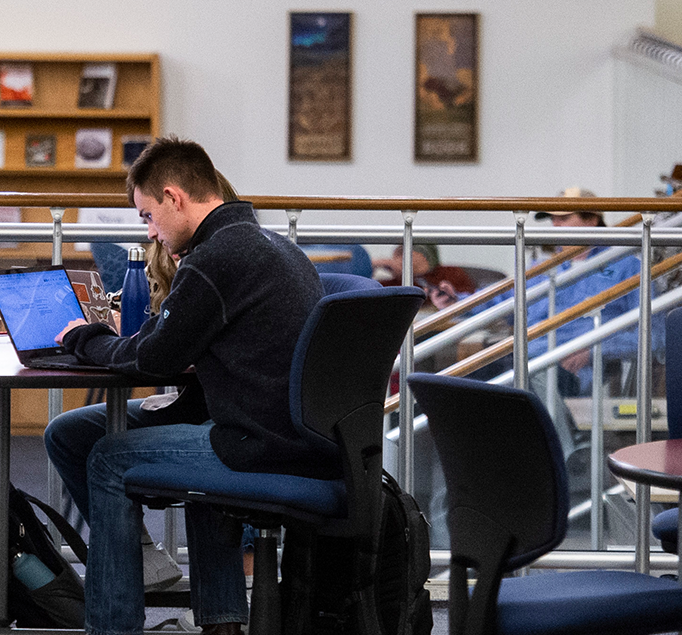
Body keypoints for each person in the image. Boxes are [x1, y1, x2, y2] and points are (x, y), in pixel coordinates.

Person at [42, 138, 325, 635]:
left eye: (149, 216)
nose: (151, 233)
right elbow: (169, 335)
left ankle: (112, 627)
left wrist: (85, 337)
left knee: (108, 457)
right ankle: (211, 615)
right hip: (290, 430)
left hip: (253, 441)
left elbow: (152, 359)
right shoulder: (272, 245)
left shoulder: (216, 258)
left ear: (174, 198)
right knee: (72, 432)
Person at [434, 188, 644, 396]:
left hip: (572, 369)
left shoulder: (627, 267)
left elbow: (653, 333)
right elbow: (502, 301)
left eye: (564, 218)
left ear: (591, 220)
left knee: (498, 391)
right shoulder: (542, 268)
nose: (555, 225)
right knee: (450, 387)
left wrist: (595, 350)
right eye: (553, 219)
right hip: (525, 358)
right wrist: (457, 301)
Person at [372, 243, 475, 297]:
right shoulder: (393, 284)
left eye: (412, 253)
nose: (402, 259)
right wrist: (373, 265)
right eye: (399, 254)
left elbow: (467, 301)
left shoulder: (451, 273)